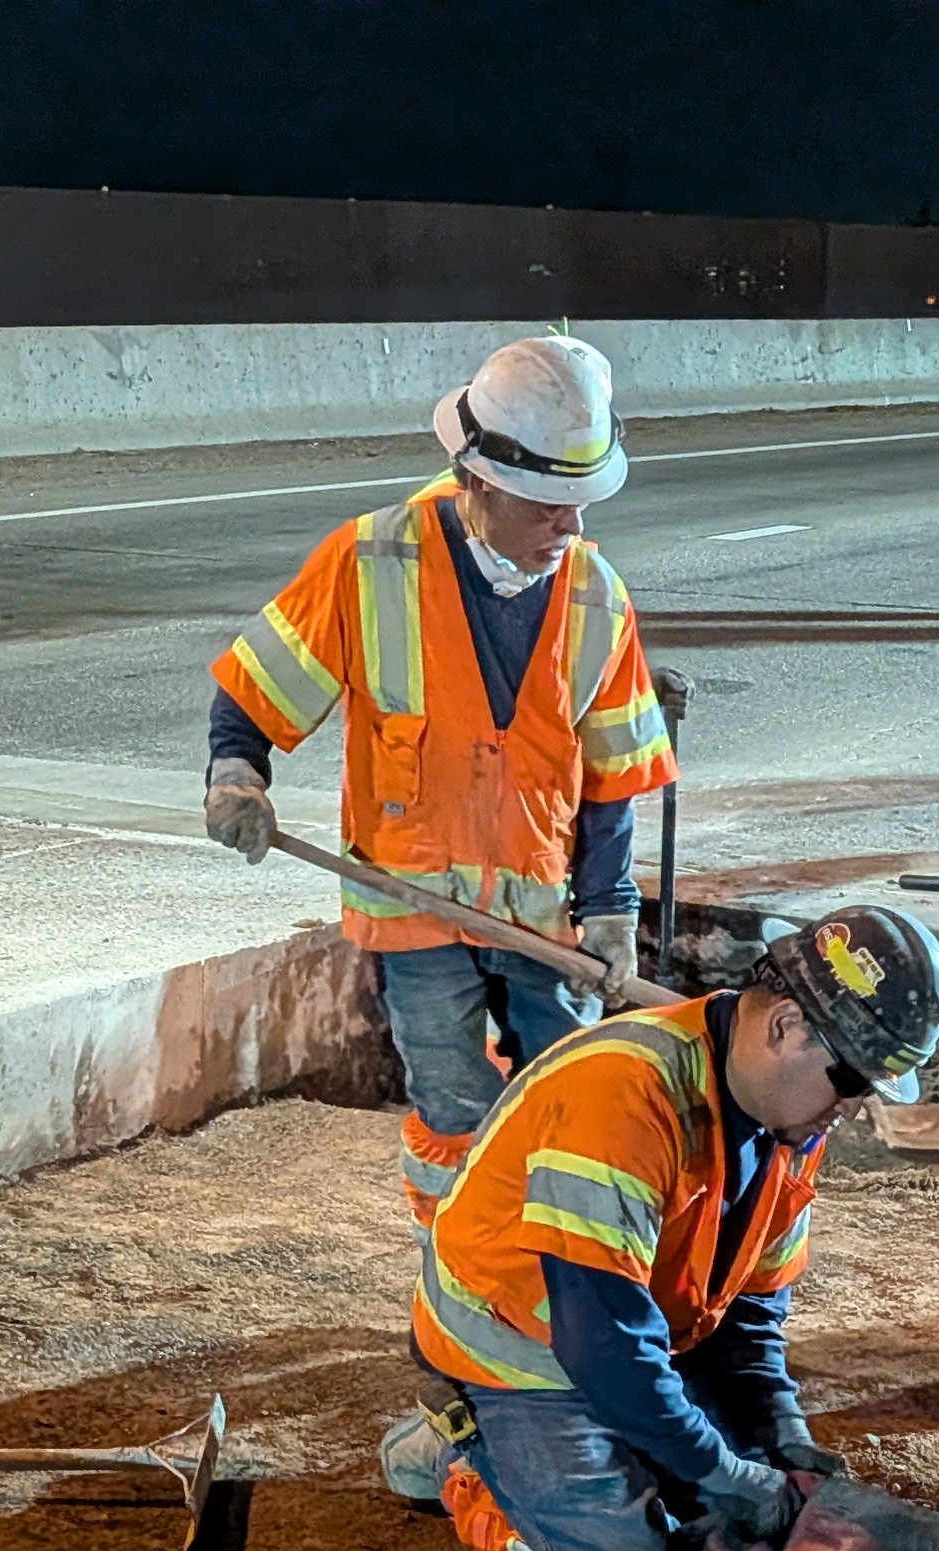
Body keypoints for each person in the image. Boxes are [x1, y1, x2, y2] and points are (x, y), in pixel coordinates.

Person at [205, 336, 678, 1234]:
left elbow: (614, 772)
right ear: (482, 481)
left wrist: (611, 910)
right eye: (549, 506)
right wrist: (238, 776)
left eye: (581, 503)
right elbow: (256, 690)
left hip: (541, 914)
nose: (571, 528)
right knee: (454, 1101)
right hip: (413, 897)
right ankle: (457, 1272)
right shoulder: (370, 561)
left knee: (568, 1095)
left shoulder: (595, 596)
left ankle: (551, 1276)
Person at [379, 906, 939, 1551]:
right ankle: (463, 1462)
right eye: (852, 1080)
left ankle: (593, 1467)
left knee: (744, 1521)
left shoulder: (792, 1124)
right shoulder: (622, 1096)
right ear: (785, 1029)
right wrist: (727, 1471)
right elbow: (604, 1345)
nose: (854, 1109)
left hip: (645, 1336)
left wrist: (783, 1442)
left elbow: (751, 1317)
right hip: (521, 1352)